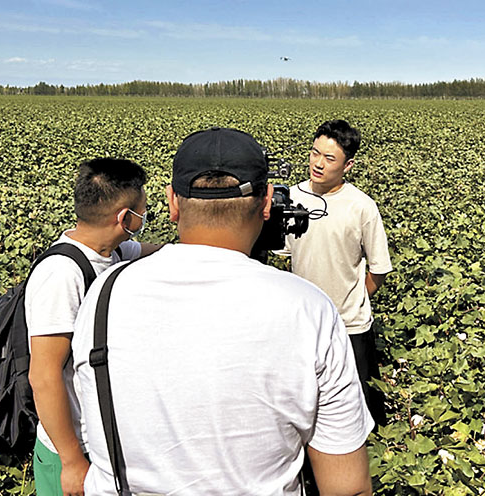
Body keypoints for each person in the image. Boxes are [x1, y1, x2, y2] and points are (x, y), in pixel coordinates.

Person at [72, 127, 373, 495]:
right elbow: (347, 487)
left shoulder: (104, 292)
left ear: (172, 203)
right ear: (266, 203)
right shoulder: (310, 310)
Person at [27, 158, 162, 496]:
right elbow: (43, 376)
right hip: (72, 450)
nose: (146, 215)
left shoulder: (113, 250)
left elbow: (159, 252)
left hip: (102, 443)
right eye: (143, 208)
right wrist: (72, 462)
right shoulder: (62, 274)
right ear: (125, 219)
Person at [286, 119, 393, 425]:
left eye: (329, 158)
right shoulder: (293, 197)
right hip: (305, 323)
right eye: (314, 153)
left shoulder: (361, 206)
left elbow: (379, 269)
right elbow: (284, 256)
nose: (317, 164)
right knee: (309, 404)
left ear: (348, 166)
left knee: (362, 407)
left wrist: (354, 298)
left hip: (349, 325)